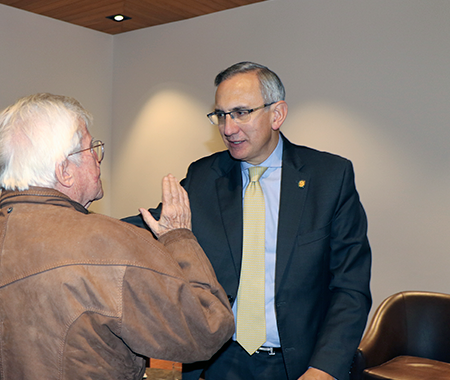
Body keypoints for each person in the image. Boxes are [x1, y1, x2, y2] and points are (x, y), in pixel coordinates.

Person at [0, 93, 235, 380]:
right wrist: (179, 237)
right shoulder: (114, 244)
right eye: (92, 148)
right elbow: (206, 329)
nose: (98, 159)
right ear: (65, 170)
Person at [124, 62, 372, 380]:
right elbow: (156, 225)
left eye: (241, 113)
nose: (228, 128)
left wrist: (324, 369)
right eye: (221, 115)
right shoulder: (205, 176)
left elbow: (350, 288)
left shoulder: (329, 177)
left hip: (298, 365)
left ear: (277, 114)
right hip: (221, 361)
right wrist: (76, 222)